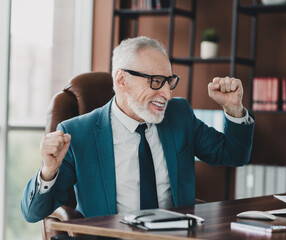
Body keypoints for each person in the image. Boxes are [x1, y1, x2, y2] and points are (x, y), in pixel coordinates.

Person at [21, 36, 255, 223]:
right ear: (122, 80)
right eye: (155, 81)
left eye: (169, 81)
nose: (166, 93)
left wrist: (234, 108)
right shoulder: (79, 134)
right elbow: (33, 213)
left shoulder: (179, 114)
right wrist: (48, 171)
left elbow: (234, 155)